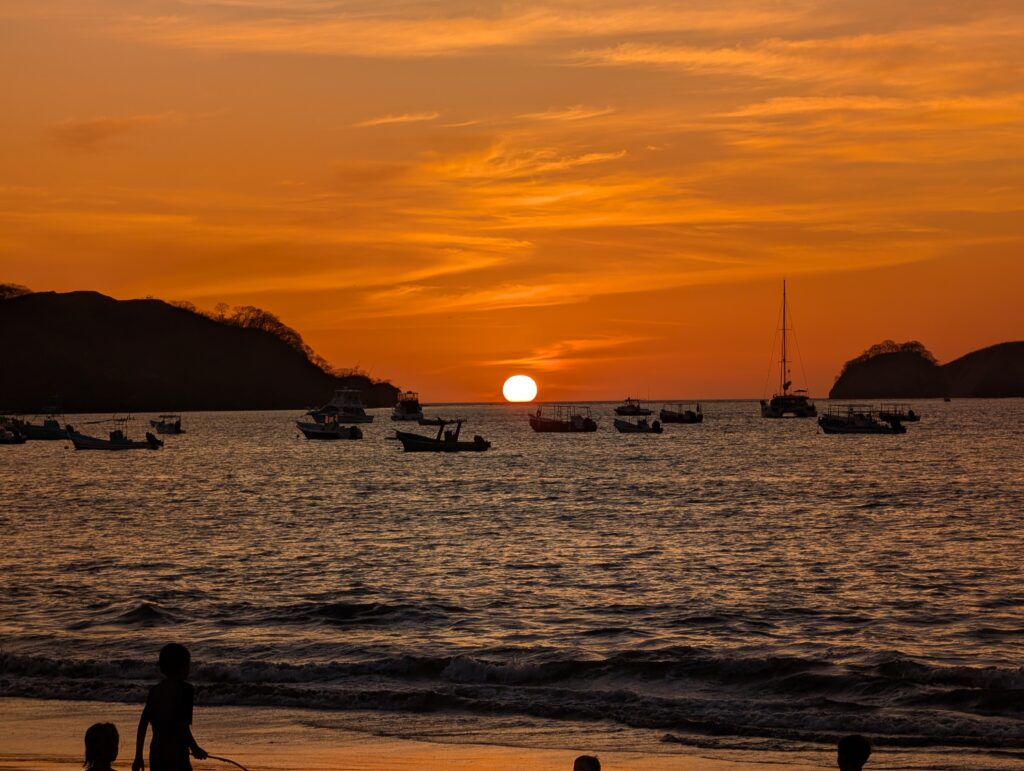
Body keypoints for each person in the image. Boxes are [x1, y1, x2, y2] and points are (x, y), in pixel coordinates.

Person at [132, 643, 208, 771]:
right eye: (188, 664)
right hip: (177, 753)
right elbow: (182, 725)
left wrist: (138, 756)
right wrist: (194, 748)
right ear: (183, 667)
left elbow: (143, 724)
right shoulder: (186, 690)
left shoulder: (155, 691)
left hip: (157, 753)